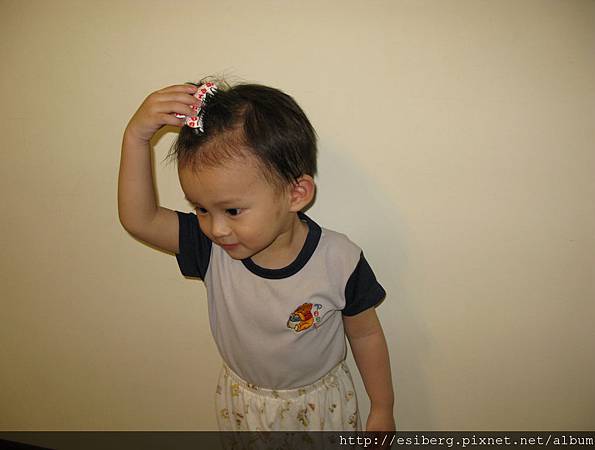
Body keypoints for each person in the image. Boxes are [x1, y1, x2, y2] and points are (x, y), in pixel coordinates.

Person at [118, 78, 395, 432]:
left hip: (321, 409)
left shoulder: (339, 261)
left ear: (296, 194)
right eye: (201, 209)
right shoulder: (210, 250)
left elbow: (365, 335)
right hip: (245, 408)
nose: (216, 228)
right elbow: (140, 219)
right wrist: (136, 137)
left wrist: (382, 407)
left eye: (232, 211)